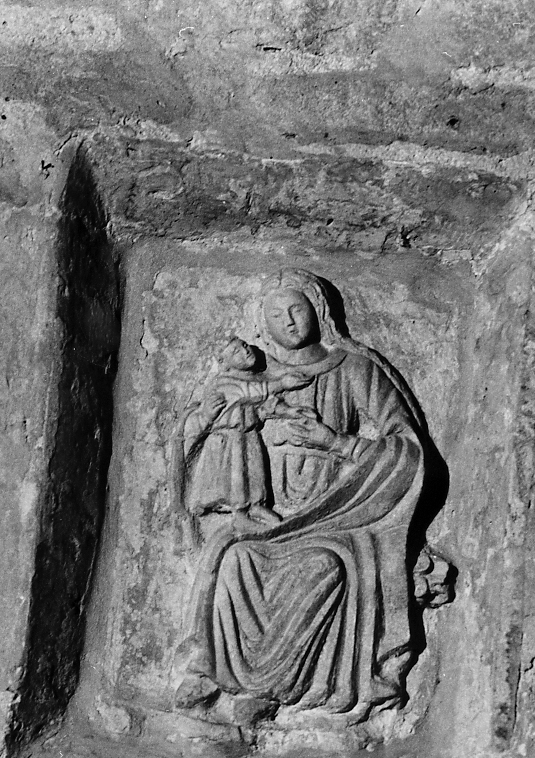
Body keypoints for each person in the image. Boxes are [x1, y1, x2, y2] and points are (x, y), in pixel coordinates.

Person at [174, 268, 428, 722]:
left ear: (319, 311)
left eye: (297, 309)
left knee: (322, 567)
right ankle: (218, 674)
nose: (289, 321)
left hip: (336, 517)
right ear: (263, 326)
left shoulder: (354, 370)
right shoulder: (253, 380)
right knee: (235, 560)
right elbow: (195, 436)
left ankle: (271, 689)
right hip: (266, 517)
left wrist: (335, 443)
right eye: (277, 315)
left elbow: (406, 448)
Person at [183, 336, 313, 527]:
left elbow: (264, 406)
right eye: (236, 352)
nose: (245, 351)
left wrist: (289, 411)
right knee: (236, 479)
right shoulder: (223, 383)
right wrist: (281, 384)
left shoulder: (255, 379)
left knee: (254, 473)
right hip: (227, 440)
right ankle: (240, 515)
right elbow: (246, 394)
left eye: (244, 345)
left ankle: (256, 506)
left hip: (248, 434)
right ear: (225, 364)